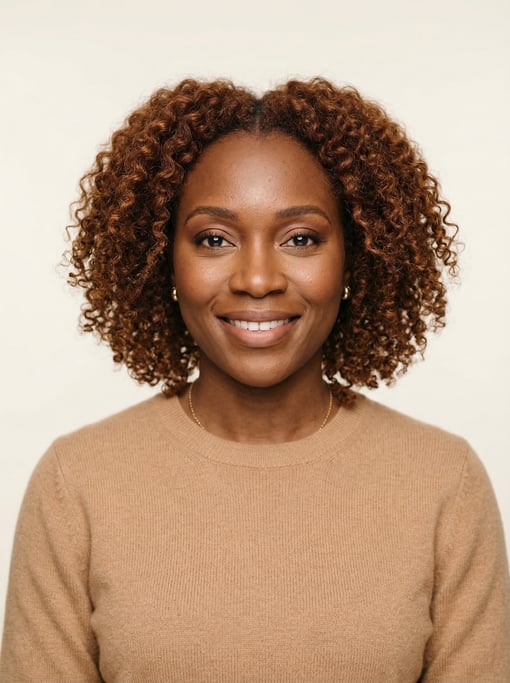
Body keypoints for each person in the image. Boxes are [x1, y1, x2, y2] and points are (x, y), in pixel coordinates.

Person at [1, 77, 509, 682]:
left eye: (301, 238)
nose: (259, 279)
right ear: (163, 258)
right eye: (214, 239)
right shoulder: (77, 483)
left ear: (355, 256)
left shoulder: (442, 483)